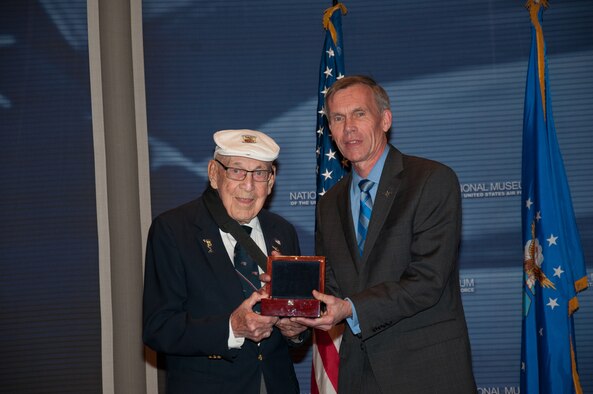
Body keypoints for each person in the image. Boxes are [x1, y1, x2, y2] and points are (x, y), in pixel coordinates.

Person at [293, 76, 477, 393]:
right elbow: (332, 286)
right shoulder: (329, 203)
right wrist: (293, 310)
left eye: (359, 113)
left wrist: (350, 308)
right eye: (338, 118)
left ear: (385, 119)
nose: (348, 127)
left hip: (426, 373)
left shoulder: (431, 180)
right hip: (358, 375)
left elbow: (427, 280)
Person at [143, 129, 306, 394]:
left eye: (259, 173)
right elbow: (158, 328)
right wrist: (232, 328)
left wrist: (295, 330)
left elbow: (295, 324)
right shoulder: (174, 230)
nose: (249, 185)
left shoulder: (283, 232)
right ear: (213, 174)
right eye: (237, 171)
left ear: (272, 180)